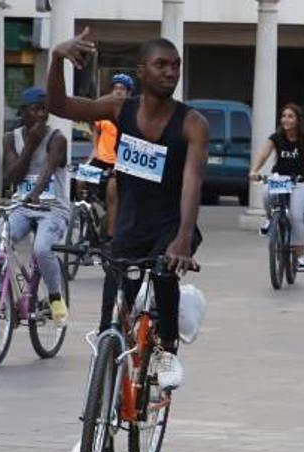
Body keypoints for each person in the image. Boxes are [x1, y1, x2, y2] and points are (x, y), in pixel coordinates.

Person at [49, 30, 207, 391]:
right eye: (161, 65)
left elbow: (192, 182)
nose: (170, 72)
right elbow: (60, 106)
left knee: (165, 273)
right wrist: (57, 59)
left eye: (175, 66)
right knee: (112, 315)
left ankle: (167, 349)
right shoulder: (121, 108)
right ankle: (96, 417)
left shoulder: (192, 123)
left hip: (172, 225)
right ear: (141, 72)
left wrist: (182, 239)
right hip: (130, 226)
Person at [0, 86, 70, 324]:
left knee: (42, 249)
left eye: (44, 111)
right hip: (22, 206)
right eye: (35, 110)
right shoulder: (10, 139)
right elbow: (13, 177)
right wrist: (29, 146)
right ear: (23, 113)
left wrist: (36, 194)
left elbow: (48, 170)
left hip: (52, 208)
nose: (41, 115)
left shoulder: (58, 138)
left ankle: (55, 296)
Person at [249, 103, 304, 271]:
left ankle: (300, 256)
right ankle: (269, 218)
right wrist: (254, 170)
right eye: (284, 116)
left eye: (290, 116)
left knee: (295, 216)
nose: (286, 119)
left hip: (300, 180)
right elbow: (264, 154)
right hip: (281, 178)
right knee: (266, 193)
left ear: (297, 120)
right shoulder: (276, 137)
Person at [88, 73, 134, 238]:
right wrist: (94, 150)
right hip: (101, 159)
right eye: (115, 88)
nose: (118, 92)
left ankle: (110, 233)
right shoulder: (104, 111)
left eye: (122, 89)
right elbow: (96, 131)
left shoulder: (132, 113)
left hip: (118, 163)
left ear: (129, 92)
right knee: (80, 182)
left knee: (112, 191)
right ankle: (88, 217)